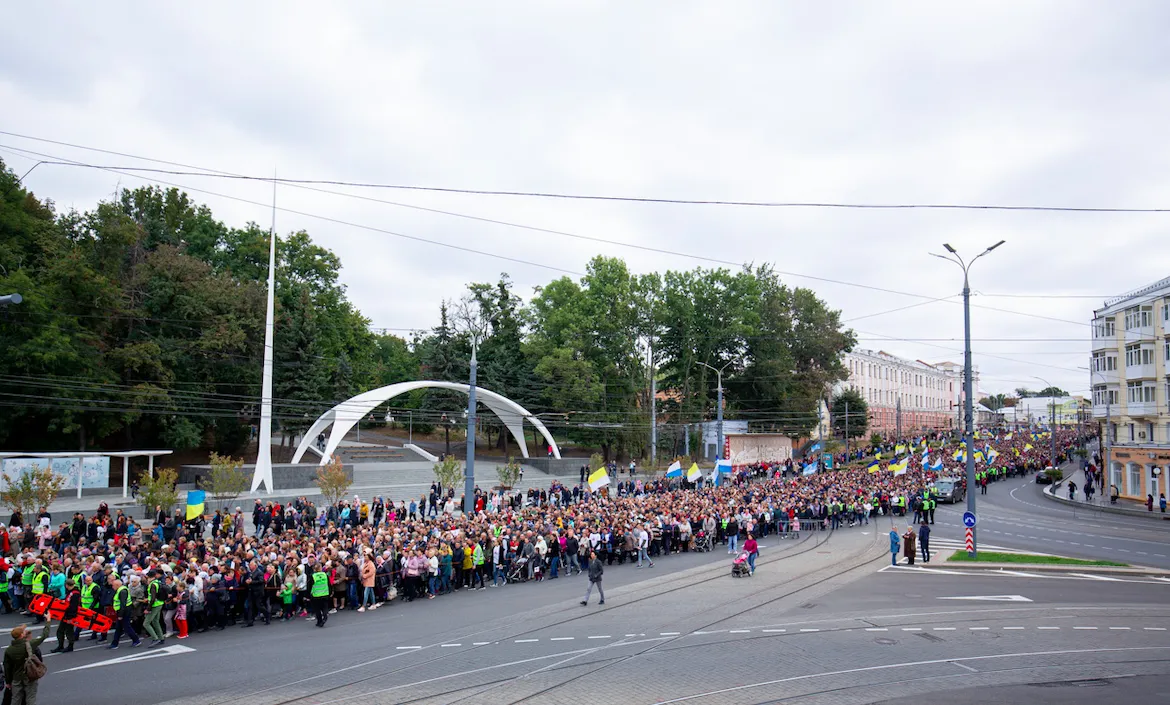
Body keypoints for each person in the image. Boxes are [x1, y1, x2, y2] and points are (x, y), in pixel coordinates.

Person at [3, 620, 51, 705]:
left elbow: (7, 667)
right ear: (21, 635)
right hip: (29, 676)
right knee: (30, 698)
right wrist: (48, 621)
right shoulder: (29, 645)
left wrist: (8, 681)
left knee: (15, 699)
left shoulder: (9, 650)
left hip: (16, 678)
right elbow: (44, 635)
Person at [50, 581, 80, 653]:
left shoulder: (75, 594)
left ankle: (70, 646)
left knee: (69, 631)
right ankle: (61, 646)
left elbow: (73, 607)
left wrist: (70, 617)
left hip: (69, 616)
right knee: (60, 631)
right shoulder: (71, 592)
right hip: (66, 614)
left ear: (66, 585)